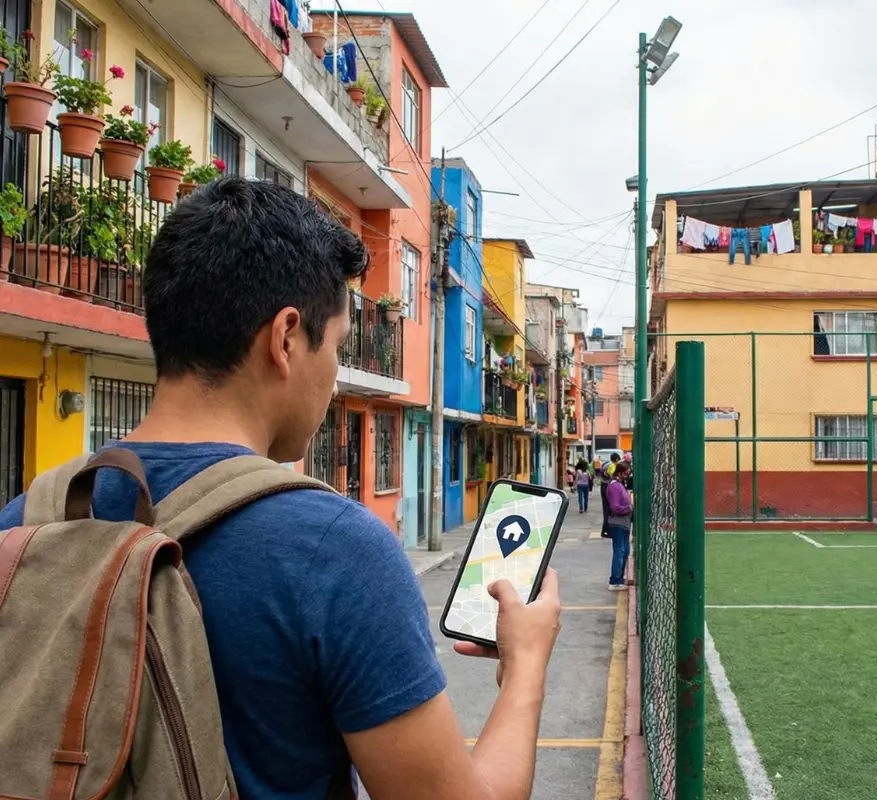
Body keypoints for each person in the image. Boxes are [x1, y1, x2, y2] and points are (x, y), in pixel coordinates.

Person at [0, 179, 562, 800]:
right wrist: (525, 667)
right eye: (339, 345)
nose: (333, 373)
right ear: (287, 337)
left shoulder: (26, 521)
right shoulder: (338, 552)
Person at [605, 462, 633, 591]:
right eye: (626, 473)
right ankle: (615, 580)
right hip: (618, 523)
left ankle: (619, 578)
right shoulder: (615, 487)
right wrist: (628, 508)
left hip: (624, 523)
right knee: (620, 551)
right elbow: (615, 507)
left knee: (625, 551)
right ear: (620, 472)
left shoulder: (620, 485)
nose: (627, 475)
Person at [598, 452, 621, 539]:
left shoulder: (607, 464)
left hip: (603, 486)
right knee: (610, 510)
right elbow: (612, 474)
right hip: (608, 487)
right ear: (617, 459)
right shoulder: (613, 466)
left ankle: (605, 530)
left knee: (606, 510)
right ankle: (608, 531)